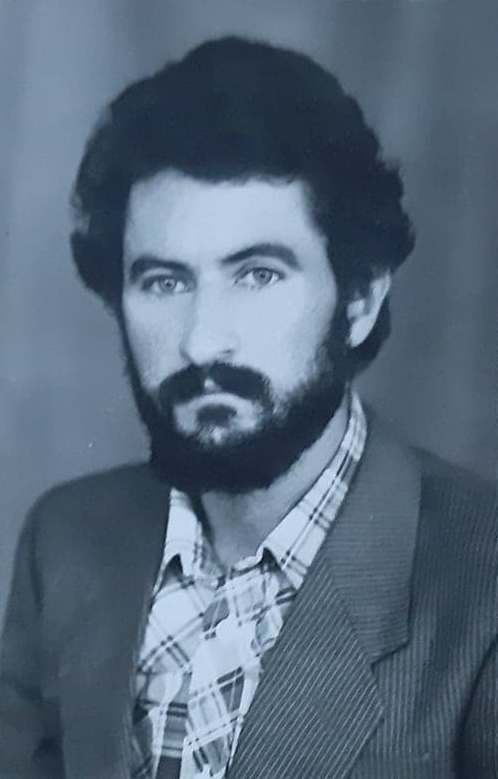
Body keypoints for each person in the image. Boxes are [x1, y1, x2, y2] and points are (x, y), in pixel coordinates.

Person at [0, 36, 496, 779]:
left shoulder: (482, 581)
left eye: (257, 274)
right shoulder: (65, 540)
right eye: (164, 282)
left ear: (359, 300)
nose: (202, 341)